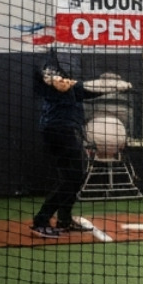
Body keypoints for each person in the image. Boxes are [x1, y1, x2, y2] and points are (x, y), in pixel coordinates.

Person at [29, 45, 102, 238]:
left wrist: (114, 86)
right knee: (73, 178)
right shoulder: (50, 79)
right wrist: (52, 78)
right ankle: (41, 221)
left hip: (65, 131)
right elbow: (40, 75)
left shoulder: (73, 86)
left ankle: (64, 220)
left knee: (72, 177)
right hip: (60, 131)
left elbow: (90, 90)